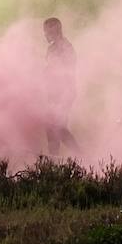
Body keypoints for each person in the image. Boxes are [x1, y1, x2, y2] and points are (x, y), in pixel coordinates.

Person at [42, 17, 81, 155]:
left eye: (46, 30)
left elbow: (67, 70)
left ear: (55, 30)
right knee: (50, 126)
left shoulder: (66, 46)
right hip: (54, 92)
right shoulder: (51, 48)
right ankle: (54, 161)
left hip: (64, 92)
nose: (44, 34)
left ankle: (81, 156)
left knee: (58, 126)